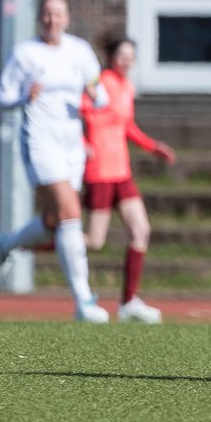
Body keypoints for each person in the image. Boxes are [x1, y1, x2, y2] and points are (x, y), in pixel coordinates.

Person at [0, 0, 110, 323]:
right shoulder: (26, 54)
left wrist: (95, 95)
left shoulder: (80, 51)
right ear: (38, 18)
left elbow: (101, 94)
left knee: (54, 222)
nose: (51, 20)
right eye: (46, 14)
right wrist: (22, 97)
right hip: (39, 143)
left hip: (72, 145)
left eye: (57, 14)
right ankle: (84, 301)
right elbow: (1, 97)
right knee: (71, 214)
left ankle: (6, 244)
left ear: (67, 18)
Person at [80, 37, 177, 324]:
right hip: (99, 170)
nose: (126, 61)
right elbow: (81, 109)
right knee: (94, 241)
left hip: (121, 172)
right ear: (111, 57)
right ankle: (30, 244)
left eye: (130, 56)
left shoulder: (127, 86)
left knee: (141, 230)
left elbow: (126, 126)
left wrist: (152, 146)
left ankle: (128, 302)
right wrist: (82, 140)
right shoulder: (104, 82)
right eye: (122, 55)